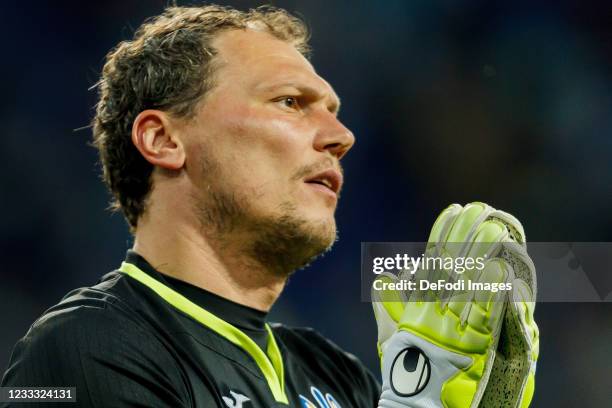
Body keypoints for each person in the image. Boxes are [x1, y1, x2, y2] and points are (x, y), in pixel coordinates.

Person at [1, 5, 538, 408]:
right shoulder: (81, 352)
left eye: (333, 110)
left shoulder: (337, 375)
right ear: (163, 141)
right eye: (290, 102)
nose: (341, 136)